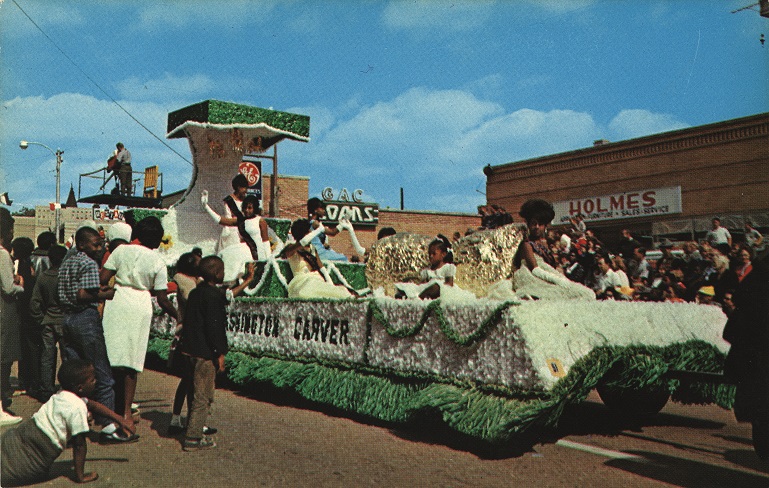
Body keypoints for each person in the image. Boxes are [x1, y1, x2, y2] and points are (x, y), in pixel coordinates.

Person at [100, 216, 178, 436]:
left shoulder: (120, 251)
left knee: (112, 356)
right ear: (156, 240)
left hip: (118, 301)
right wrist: (178, 316)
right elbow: (162, 299)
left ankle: (108, 412)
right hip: (140, 305)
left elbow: (103, 279)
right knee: (131, 363)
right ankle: (125, 413)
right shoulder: (157, 261)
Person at [0, 359, 135, 485]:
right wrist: (80, 476)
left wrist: (120, 420)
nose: (96, 381)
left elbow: (94, 405)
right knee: (15, 472)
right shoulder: (77, 407)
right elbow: (79, 445)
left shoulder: (61, 394)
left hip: (24, 433)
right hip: (40, 448)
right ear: (80, 388)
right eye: (93, 380)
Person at [58, 226, 128, 442]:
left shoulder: (67, 261)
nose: (100, 248)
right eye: (96, 244)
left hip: (66, 319)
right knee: (101, 373)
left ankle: (72, 423)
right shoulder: (88, 263)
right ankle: (108, 426)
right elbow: (83, 294)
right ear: (82, 245)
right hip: (84, 319)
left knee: (74, 374)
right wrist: (106, 293)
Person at [177, 256, 227, 451]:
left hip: (189, 350)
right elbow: (215, 329)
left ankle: (192, 427)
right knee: (203, 396)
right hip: (204, 353)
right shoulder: (213, 297)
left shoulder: (197, 293)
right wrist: (220, 353)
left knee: (193, 392)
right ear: (216, 274)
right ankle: (193, 437)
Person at [202, 191, 271, 281]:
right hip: (245, 248)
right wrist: (206, 207)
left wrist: (269, 260)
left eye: (250, 208)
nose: (247, 210)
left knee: (232, 256)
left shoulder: (261, 221)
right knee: (225, 253)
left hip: (257, 253)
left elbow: (265, 241)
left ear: (255, 208)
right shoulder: (240, 221)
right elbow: (220, 220)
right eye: (245, 207)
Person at [29, 244, 67, 403]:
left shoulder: (43, 277)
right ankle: (68, 388)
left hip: (48, 321)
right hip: (64, 321)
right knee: (67, 357)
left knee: (47, 357)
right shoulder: (66, 276)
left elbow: (35, 302)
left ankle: (46, 390)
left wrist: (41, 319)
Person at [282, 219, 354, 299]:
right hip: (301, 282)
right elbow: (302, 243)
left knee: (339, 292)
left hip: (316, 279)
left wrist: (330, 284)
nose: (311, 233)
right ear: (304, 234)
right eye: (309, 231)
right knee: (306, 290)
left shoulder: (313, 248)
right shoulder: (291, 248)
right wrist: (318, 230)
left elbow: (322, 269)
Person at [394, 235, 475, 301]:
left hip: (441, 291)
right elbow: (422, 285)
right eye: (429, 254)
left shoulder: (447, 267)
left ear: (443, 254)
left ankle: (417, 300)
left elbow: (449, 285)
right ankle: (407, 296)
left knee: (436, 286)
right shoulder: (427, 271)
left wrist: (437, 286)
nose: (431, 256)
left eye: (434, 254)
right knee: (408, 286)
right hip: (427, 290)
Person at [0, 207, 24, 424]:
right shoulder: (3, 254)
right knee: (3, 357)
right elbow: (8, 288)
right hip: (4, 311)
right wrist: (21, 284)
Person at [306, 197, 348, 262]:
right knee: (343, 258)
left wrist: (324, 244)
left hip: (316, 252)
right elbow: (332, 232)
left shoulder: (309, 222)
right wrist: (342, 224)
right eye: (322, 208)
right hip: (320, 253)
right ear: (315, 210)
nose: (324, 211)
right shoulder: (315, 223)